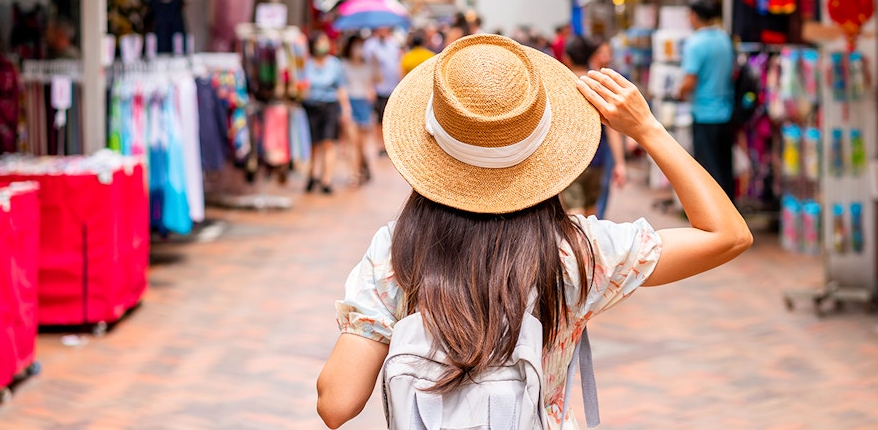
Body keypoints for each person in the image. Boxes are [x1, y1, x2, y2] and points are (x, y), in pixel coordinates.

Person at [316, 34, 753, 429]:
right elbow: (727, 234)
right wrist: (648, 130)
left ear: (432, 147)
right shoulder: (578, 253)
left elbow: (336, 403)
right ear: (543, 150)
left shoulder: (397, 252)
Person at [559, 34, 626, 218]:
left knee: (574, 217)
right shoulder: (597, 86)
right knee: (591, 216)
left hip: (570, 161)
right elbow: (612, 130)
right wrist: (620, 163)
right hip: (597, 159)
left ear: (567, 58)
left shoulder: (561, 87)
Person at [678, 0, 736, 201]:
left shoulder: (695, 43)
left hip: (704, 114)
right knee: (725, 166)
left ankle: (717, 218)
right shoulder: (724, 38)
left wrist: (679, 93)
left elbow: (689, 81)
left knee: (708, 171)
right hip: (726, 112)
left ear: (694, 16)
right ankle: (732, 211)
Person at [302, 33, 351, 194]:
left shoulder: (335, 65)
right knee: (313, 144)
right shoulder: (306, 64)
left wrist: (345, 108)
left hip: (329, 106)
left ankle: (326, 179)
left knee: (329, 142)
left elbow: (341, 88)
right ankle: (312, 174)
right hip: (310, 106)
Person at [341, 35, 376, 186]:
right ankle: (354, 174)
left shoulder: (368, 65)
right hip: (350, 103)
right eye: (356, 46)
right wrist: (345, 108)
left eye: (361, 46)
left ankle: (363, 166)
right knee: (352, 141)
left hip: (363, 104)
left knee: (361, 144)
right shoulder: (343, 65)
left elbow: (374, 83)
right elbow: (341, 87)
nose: (358, 50)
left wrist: (376, 64)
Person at [363, 26, 402, 155]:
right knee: (379, 118)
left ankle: (388, 144)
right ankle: (380, 144)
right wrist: (370, 87)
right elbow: (367, 67)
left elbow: (398, 63)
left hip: (392, 86)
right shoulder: (370, 45)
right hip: (378, 87)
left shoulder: (394, 44)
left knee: (390, 117)